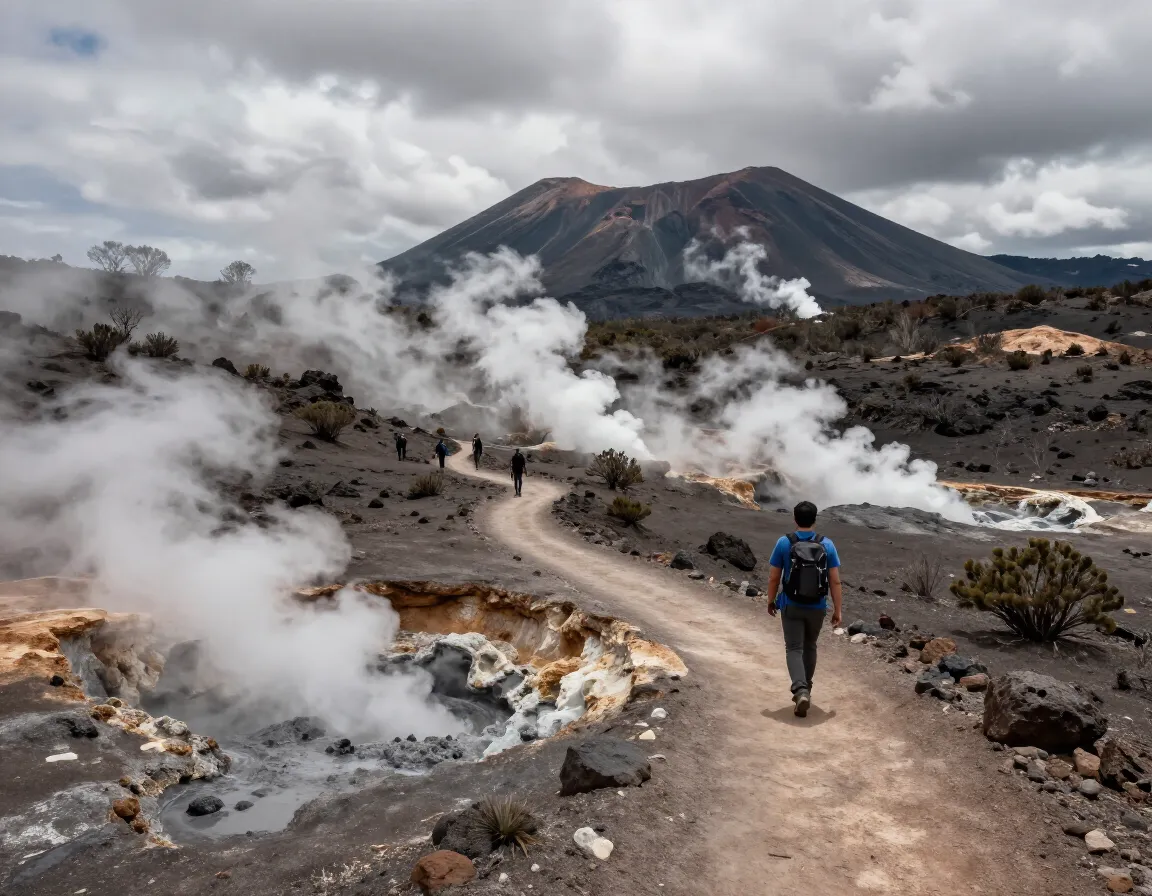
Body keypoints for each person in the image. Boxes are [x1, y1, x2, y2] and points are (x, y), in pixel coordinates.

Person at [766, 501, 842, 717]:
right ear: (815, 519)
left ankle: (800, 690)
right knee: (810, 646)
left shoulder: (784, 542)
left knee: (793, 648)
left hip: (791, 604)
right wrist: (837, 610)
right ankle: (806, 688)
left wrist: (771, 600)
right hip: (817, 606)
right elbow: (835, 582)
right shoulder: (827, 545)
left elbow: (774, 577)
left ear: (795, 519)